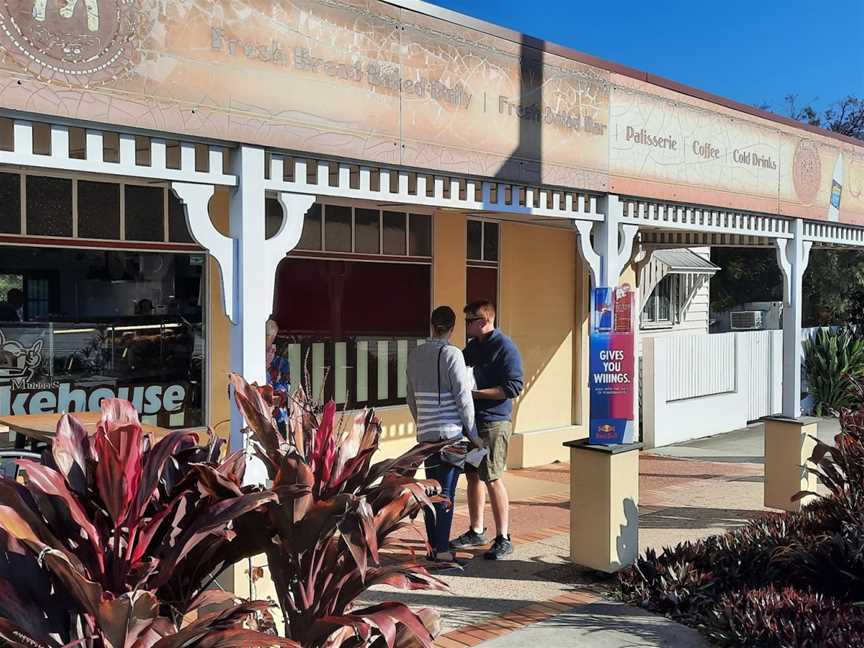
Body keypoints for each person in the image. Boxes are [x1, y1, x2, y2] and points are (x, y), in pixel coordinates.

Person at [451, 299, 524, 560]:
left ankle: (503, 537)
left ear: (484, 321)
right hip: (472, 423)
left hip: (494, 422)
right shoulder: (472, 347)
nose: (466, 325)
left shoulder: (505, 347)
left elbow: (514, 386)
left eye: (470, 320)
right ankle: (476, 529)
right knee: (472, 475)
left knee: (492, 477)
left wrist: (477, 394)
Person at [407, 306, 480, 564]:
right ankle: (442, 552)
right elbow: (463, 397)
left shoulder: (415, 354)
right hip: (450, 434)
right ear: (452, 328)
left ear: (431, 325)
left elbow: (410, 396)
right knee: (446, 493)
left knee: (430, 493)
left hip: (426, 434)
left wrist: (422, 422)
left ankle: (432, 548)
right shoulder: (453, 354)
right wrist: (474, 434)